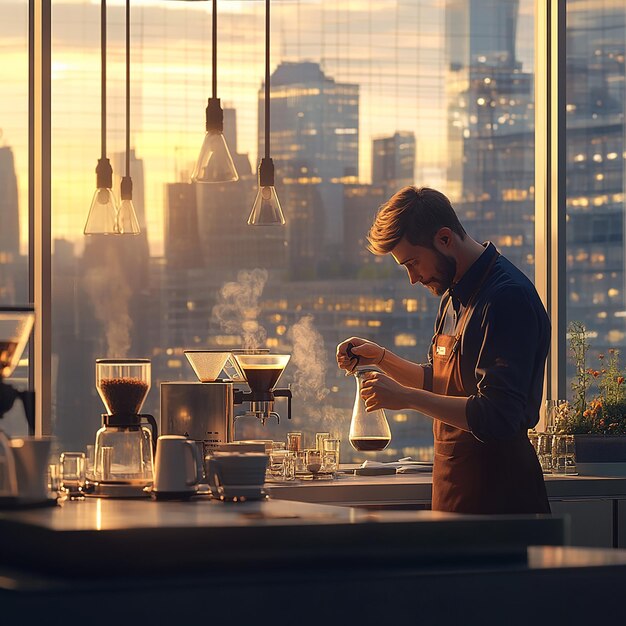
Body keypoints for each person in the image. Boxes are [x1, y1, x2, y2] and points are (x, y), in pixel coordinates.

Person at [336, 186, 550, 515]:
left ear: (445, 239)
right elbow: (441, 381)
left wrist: (405, 398)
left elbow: (497, 417)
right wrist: (380, 358)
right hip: (452, 496)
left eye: (413, 263)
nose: (412, 278)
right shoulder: (451, 297)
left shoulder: (507, 299)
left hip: (502, 505)